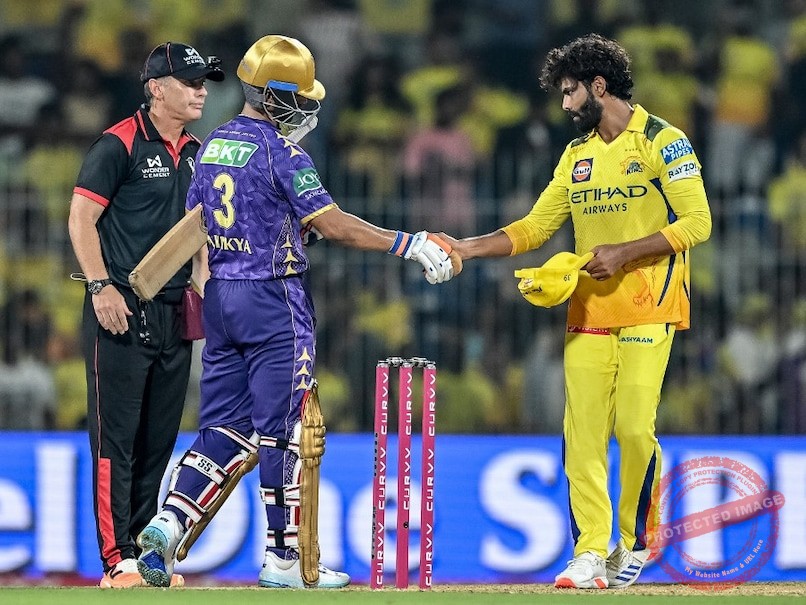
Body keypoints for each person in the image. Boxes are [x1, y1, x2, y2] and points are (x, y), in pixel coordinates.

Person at [135, 34, 456, 589]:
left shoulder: (210, 146)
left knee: (225, 428)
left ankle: (168, 521)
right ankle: (283, 559)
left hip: (221, 297)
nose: (307, 109)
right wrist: (409, 243)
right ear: (277, 95)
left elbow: (202, 227)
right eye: (301, 98)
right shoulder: (282, 153)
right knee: (283, 432)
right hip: (274, 302)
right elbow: (335, 225)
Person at [444, 33, 712, 589]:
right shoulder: (576, 155)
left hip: (649, 307)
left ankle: (634, 541)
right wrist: (466, 247)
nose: (565, 105)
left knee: (634, 429)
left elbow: (698, 223)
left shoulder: (664, 141)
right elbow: (535, 228)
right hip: (587, 310)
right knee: (583, 434)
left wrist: (623, 253)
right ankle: (589, 550)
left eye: (570, 92)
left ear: (599, 86)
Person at [67, 41, 225, 588]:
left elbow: (198, 232)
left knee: (157, 441)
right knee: (116, 440)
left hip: (174, 312)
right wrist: (100, 287)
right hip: (119, 309)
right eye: (190, 82)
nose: (201, 92)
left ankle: (144, 555)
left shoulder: (197, 152)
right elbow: (81, 219)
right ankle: (117, 560)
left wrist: (205, 291)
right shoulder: (119, 144)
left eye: (203, 83)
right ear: (156, 88)